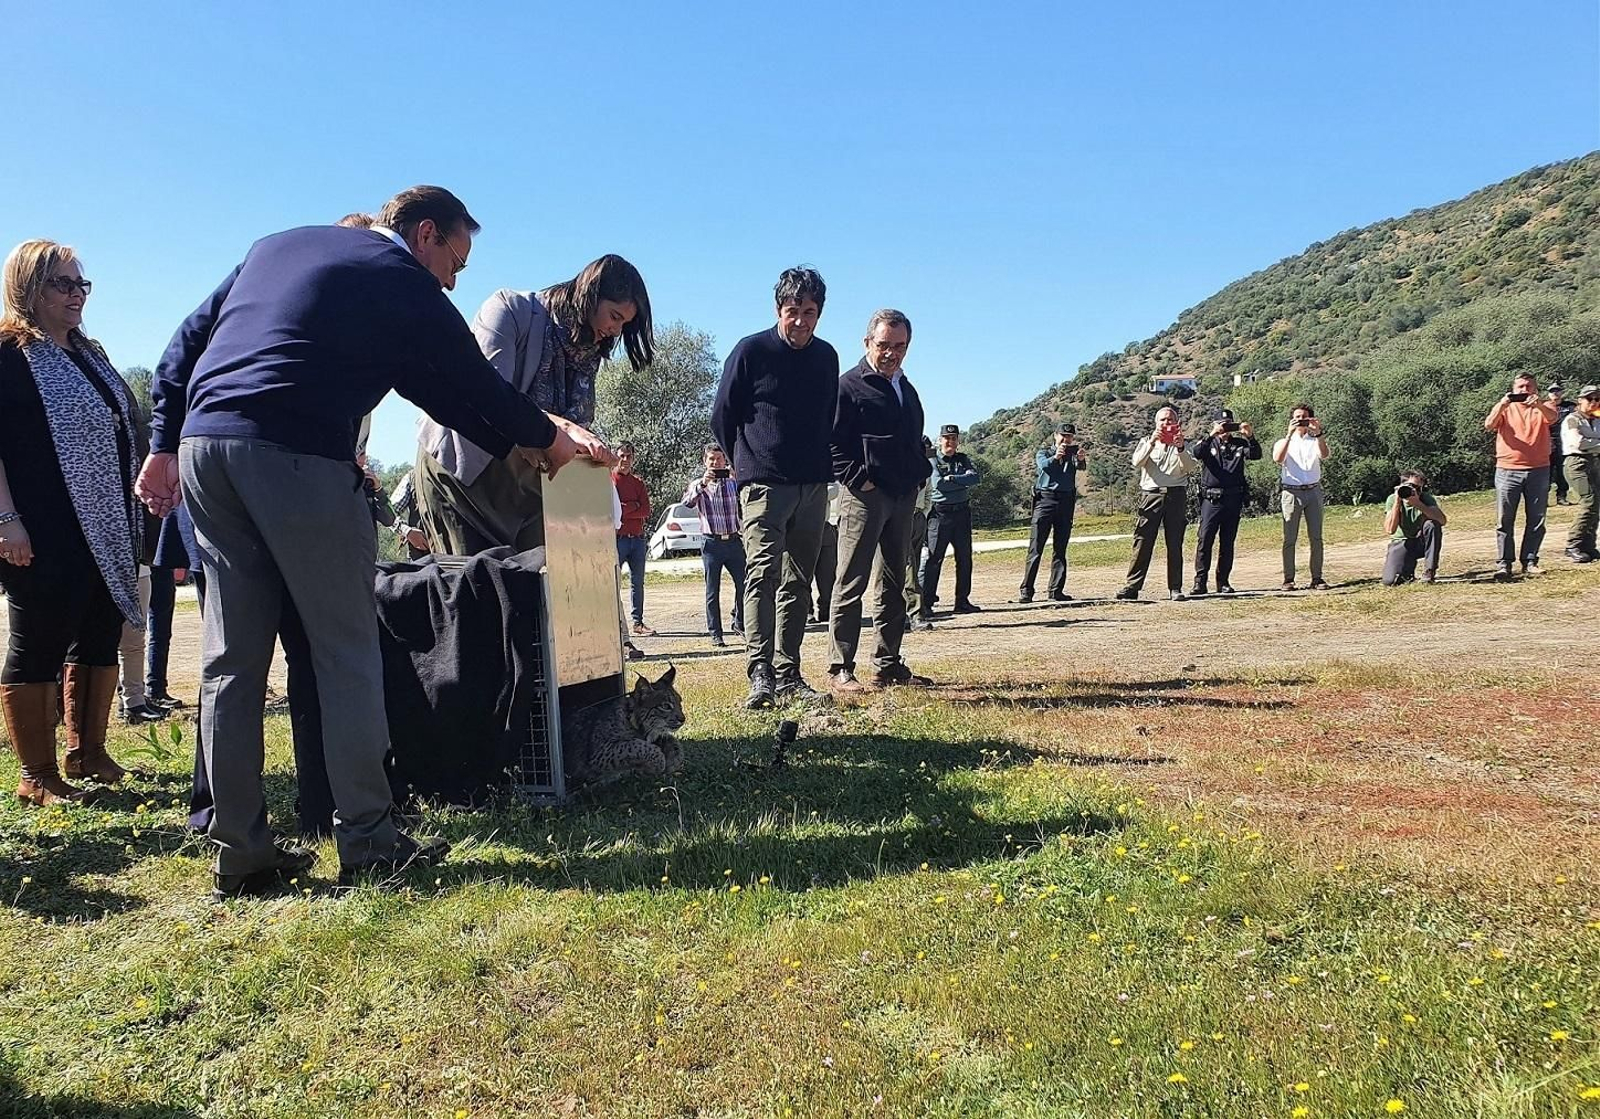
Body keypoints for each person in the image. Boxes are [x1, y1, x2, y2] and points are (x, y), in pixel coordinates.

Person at [138, 186, 580, 898]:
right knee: (347, 650)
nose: (453, 281)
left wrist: (163, 442)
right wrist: (548, 440)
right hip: (299, 455)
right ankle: (371, 840)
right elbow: (471, 383)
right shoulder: (399, 277)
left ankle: (241, 852)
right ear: (424, 233)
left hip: (206, 452)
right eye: (454, 262)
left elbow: (186, 342)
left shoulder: (276, 244)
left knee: (231, 661)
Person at [0, 240, 141, 805]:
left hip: (105, 522)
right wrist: (7, 519)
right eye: (63, 284)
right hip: (37, 523)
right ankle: (35, 774)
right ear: (28, 289)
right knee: (38, 637)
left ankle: (86, 751)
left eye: (83, 284)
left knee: (101, 629)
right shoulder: (9, 355)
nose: (77, 295)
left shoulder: (90, 352)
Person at [415, 255, 648, 554]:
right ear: (590, 295)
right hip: (462, 479)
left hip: (526, 492)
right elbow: (487, 398)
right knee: (473, 592)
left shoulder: (587, 355)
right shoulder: (509, 309)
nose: (616, 330)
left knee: (536, 596)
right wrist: (561, 427)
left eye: (624, 324)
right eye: (614, 316)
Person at [711, 266, 838, 709]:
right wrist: (747, 467)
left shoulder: (826, 357)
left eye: (810, 312)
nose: (801, 321)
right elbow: (722, 417)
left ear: (819, 313)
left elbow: (828, 417)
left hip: (813, 486)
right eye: (792, 311)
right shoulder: (751, 351)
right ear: (777, 309)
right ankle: (759, 672)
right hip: (764, 486)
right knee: (761, 575)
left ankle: (789, 672)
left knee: (798, 581)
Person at [826, 308, 933, 692]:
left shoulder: (906, 387)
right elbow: (834, 443)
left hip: (903, 497)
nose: (892, 353)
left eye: (900, 346)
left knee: (893, 581)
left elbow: (913, 438)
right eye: (884, 345)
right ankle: (841, 667)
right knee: (850, 581)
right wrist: (860, 480)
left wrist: (919, 472)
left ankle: (888, 664)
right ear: (867, 342)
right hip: (864, 499)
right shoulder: (848, 386)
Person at [1116, 406, 1198, 601]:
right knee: (1142, 541)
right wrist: (1152, 442)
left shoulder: (1186, 445)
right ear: (1155, 423)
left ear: (1177, 423)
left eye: (1170, 420)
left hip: (1176, 495)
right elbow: (1136, 462)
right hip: (1151, 494)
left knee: (1175, 542)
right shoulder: (1146, 442)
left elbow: (1190, 468)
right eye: (1162, 420)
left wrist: (1180, 449)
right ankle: (1132, 586)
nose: (1166, 423)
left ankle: (1175, 588)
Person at [1484, 373, 1561, 580]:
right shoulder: (1505, 407)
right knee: (1504, 519)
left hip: (1539, 469)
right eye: (1520, 386)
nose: (1524, 390)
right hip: (1507, 469)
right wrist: (1502, 403)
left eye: (1528, 386)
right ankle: (1504, 564)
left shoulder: (1545, 406)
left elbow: (1552, 418)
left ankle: (1530, 561)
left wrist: (1538, 406)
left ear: (1535, 389)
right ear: (1513, 388)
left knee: (1536, 518)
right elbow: (1489, 425)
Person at [1190, 408, 1261, 595]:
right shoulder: (1208, 443)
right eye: (1222, 424)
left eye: (1229, 423)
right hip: (1211, 500)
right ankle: (1200, 582)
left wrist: (1250, 436)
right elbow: (1197, 453)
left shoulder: (1239, 443)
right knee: (1205, 540)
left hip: (1233, 498)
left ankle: (1223, 582)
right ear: (1214, 425)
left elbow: (1255, 454)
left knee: (1227, 542)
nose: (1225, 427)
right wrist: (1212, 434)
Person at [682, 444, 744, 647]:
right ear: (704, 461)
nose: (716, 463)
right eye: (711, 459)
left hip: (734, 540)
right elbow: (687, 503)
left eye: (719, 459)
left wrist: (737, 477)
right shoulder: (697, 484)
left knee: (745, 585)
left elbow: (748, 499)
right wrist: (702, 484)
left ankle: (740, 623)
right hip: (711, 543)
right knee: (712, 590)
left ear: (725, 461)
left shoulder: (734, 483)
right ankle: (715, 633)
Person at [918, 424, 981, 621]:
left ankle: (962, 601)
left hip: (962, 513)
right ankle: (925, 603)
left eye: (953, 438)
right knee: (934, 559)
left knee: (964, 558)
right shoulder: (933, 459)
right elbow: (938, 484)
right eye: (947, 438)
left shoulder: (963, 459)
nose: (950, 442)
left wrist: (952, 477)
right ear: (940, 440)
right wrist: (962, 480)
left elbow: (976, 479)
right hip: (940, 515)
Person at [1019, 424, 1086, 603]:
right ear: (1055, 436)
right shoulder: (1044, 453)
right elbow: (1045, 467)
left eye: (1070, 436)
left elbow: (1081, 467)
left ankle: (1056, 590)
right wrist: (1056, 457)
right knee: (1036, 547)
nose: (1066, 439)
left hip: (1066, 501)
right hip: (1045, 500)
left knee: (1060, 548)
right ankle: (1026, 590)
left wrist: (1079, 458)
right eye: (1063, 435)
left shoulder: (1073, 453)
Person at [1273, 403, 1331, 591]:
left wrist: (1319, 433)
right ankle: (1288, 579)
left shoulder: (1314, 441)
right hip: (1291, 492)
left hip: (1313, 490)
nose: (1300, 420)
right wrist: (1289, 435)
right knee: (1289, 537)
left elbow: (1325, 455)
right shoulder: (1283, 442)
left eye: (1304, 417)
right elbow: (1278, 459)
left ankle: (1317, 578)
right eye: (1296, 417)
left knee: (1316, 537)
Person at [612, 442, 655, 635]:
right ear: (615, 456)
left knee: (637, 582)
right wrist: (632, 506)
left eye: (629, 456)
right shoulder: (609, 481)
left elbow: (646, 510)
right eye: (622, 455)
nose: (625, 460)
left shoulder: (638, 483)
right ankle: (615, 623)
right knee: (613, 582)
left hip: (637, 540)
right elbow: (613, 512)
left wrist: (625, 508)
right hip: (618, 539)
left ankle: (638, 623)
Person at [1380, 469, 1447, 585]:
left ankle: (1429, 571)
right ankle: (1407, 571)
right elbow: (1390, 529)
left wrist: (1418, 504)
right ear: (1400, 486)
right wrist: (1397, 502)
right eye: (1411, 486)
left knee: (1432, 525)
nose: (1414, 490)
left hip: (1421, 542)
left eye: (1419, 488)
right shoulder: (1392, 499)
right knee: (1390, 581)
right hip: (1402, 542)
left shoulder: (1425, 499)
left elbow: (1442, 520)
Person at [1561, 384, 1600, 563]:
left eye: (1597, 399)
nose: (1593, 402)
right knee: (1589, 501)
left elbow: (1588, 442)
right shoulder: (1572, 419)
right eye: (1589, 399)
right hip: (1576, 462)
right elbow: (1578, 443)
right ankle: (1573, 544)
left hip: (1594, 460)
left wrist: (1593, 442)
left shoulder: (1596, 419)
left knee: (1596, 503)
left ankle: (1589, 545)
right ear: (1580, 400)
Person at [905, 436, 936, 629]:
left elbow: (930, 493)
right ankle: (916, 613)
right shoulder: (905, 467)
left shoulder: (925, 471)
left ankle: (909, 612)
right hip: (903, 517)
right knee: (908, 568)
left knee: (913, 565)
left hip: (918, 517)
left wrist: (923, 513)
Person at [809, 483, 840, 625]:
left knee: (828, 575)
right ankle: (807, 611)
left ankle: (826, 610)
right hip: (802, 528)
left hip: (825, 528)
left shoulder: (823, 463)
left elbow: (834, 490)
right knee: (802, 575)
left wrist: (811, 492)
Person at [1550, 384, 1576, 506]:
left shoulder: (1569, 406)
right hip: (1548, 441)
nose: (1555, 393)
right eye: (1552, 391)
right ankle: (1542, 498)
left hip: (1564, 441)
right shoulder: (1545, 406)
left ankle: (1561, 496)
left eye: (1557, 391)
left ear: (1562, 393)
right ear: (1548, 394)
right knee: (1546, 472)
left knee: (1562, 470)